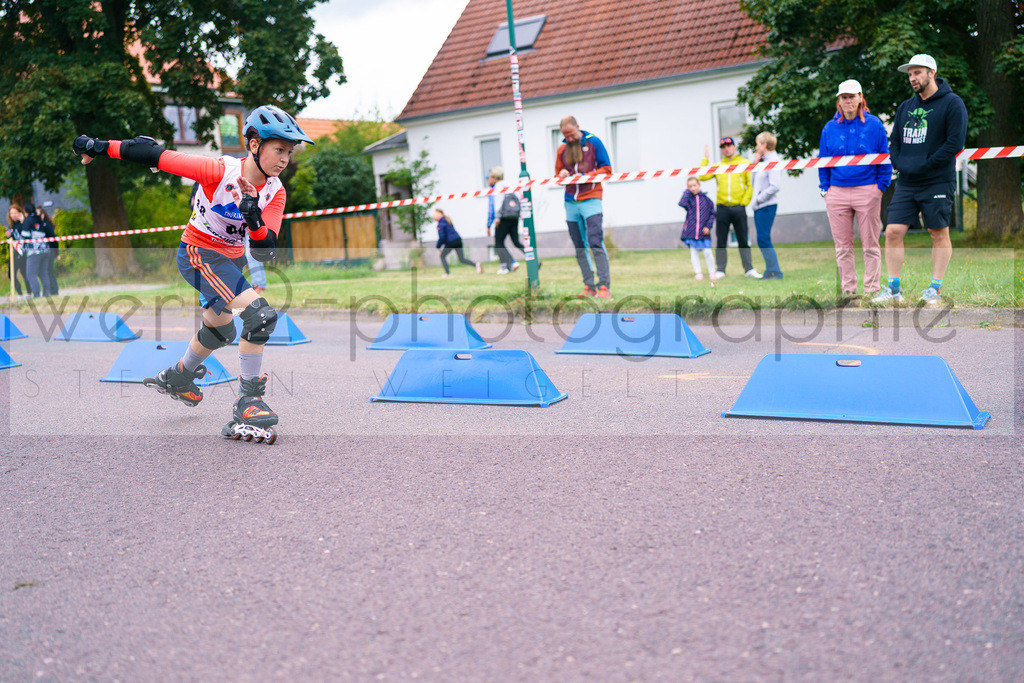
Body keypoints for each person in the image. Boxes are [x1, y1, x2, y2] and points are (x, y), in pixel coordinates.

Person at [73, 104, 314, 441]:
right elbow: (155, 155)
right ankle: (249, 400)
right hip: (198, 253)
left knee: (221, 331)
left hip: (230, 262)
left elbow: (265, 250)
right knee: (259, 317)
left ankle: (178, 377)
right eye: (279, 149)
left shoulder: (275, 191)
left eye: (289, 151)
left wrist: (253, 216)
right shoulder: (218, 170)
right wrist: (98, 146)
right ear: (255, 145)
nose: (285, 159)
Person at [872, 54, 967, 306]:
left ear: (931, 72)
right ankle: (894, 291)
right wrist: (900, 163)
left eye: (917, 72)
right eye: (910, 74)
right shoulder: (905, 107)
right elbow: (895, 142)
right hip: (907, 182)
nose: (912, 78)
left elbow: (955, 143)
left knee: (937, 232)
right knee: (892, 231)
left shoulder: (952, 103)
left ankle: (933, 291)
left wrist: (927, 164)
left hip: (937, 180)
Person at [819, 80, 892, 298]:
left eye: (852, 96)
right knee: (842, 247)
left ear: (861, 98)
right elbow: (823, 160)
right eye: (844, 97)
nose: (848, 101)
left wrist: (880, 187)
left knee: (870, 243)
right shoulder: (829, 128)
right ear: (838, 101)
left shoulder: (874, 124)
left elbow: (884, 157)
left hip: (867, 190)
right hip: (837, 192)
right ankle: (849, 290)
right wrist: (826, 189)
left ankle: (871, 290)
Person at [555, 115, 612, 298]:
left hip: (591, 198)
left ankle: (604, 285)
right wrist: (562, 174)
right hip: (571, 201)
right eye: (565, 135)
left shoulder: (594, 142)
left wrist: (590, 175)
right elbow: (557, 176)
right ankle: (589, 286)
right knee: (579, 245)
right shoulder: (562, 149)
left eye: (571, 134)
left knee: (595, 242)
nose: (569, 138)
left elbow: (607, 169)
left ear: (578, 127)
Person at [699, 137, 761, 279]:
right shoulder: (718, 165)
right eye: (723, 147)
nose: (726, 148)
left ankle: (748, 269)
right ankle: (720, 269)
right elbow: (702, 176)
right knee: (721, 240)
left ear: (734, 147)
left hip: (738, 208)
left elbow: (750, 185)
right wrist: (706, 159)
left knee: (743, 239)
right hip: (722, 208)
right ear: (721, 150)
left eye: (729, 145)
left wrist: (743, 203)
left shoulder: (744, 163)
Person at [750, 132, 784, 279]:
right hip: (760, 206)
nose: (756, 147)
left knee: (763, 238)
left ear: (764, 144)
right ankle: (770, 270)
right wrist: (755, 163)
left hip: (766, 205)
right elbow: (754, 182)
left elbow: (775, 186)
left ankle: (775, 271)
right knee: (762, 238)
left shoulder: (773, 160)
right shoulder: (764, 161)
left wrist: (758, 199)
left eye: (758, 143)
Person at [677, 176, 716, 280]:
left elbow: (712, 214)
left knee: (707, 252)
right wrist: (686, 192)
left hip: (704, 232)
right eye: (690, 186)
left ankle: (712, 272)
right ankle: (698, 273)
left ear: (699, 185)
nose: (693, 188)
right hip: (692, 231)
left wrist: (708, 226)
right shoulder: (688, 200)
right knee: (694, 252)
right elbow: (681, 203)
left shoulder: (707, 200)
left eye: (694, 185)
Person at [487, 167, 524, 275]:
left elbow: (498, 203)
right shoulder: (509, 184)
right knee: (516, 242)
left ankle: (504, 267)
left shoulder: (498, 187)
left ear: (494, 177)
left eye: (490, 177)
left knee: (498, 242)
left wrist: (497, 217)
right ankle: (534, 260)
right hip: (514, 217)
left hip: (504, 218)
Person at [433, 207, 482, 277]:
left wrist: (438, 247)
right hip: (458, 240)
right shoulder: (447, 220)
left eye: (434, 214)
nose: (433, 216)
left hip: (451, 242)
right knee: (461, 259)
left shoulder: (441, 224)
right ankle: (476, 265)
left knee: (442, 256)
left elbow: (442, 237)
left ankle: (447, 273)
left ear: (439, 214)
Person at [19, 203, 54, 298]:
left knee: (31, 274)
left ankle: (36, 295)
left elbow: (25, 236)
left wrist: (23, 224)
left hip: (34, 251)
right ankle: (47, 294)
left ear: (25, 212)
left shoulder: (27, 220)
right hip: (45, 250)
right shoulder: (40, 219)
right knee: (43, 273)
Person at [5, 205, 29, 297]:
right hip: (13, 252)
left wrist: (23, 221)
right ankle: (19, 293)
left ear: (19, 212)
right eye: (11, 213)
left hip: (23, 252)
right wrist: (8, 236)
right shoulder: (11, 226)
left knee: (24, 272)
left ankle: (29, 292)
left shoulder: (23, 223)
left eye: (15, 212)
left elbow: (26, 234)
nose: (13, 215)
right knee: (11, 274)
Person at [36, 205, 60, 295]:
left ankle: (54, 291)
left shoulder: (46, 225)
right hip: (44, 252)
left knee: (49, 271)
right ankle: (49, 291)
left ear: (42, 215)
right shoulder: (39, 225)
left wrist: (56, 253)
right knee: (45, 272)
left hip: (50, 251)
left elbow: (53, 239)